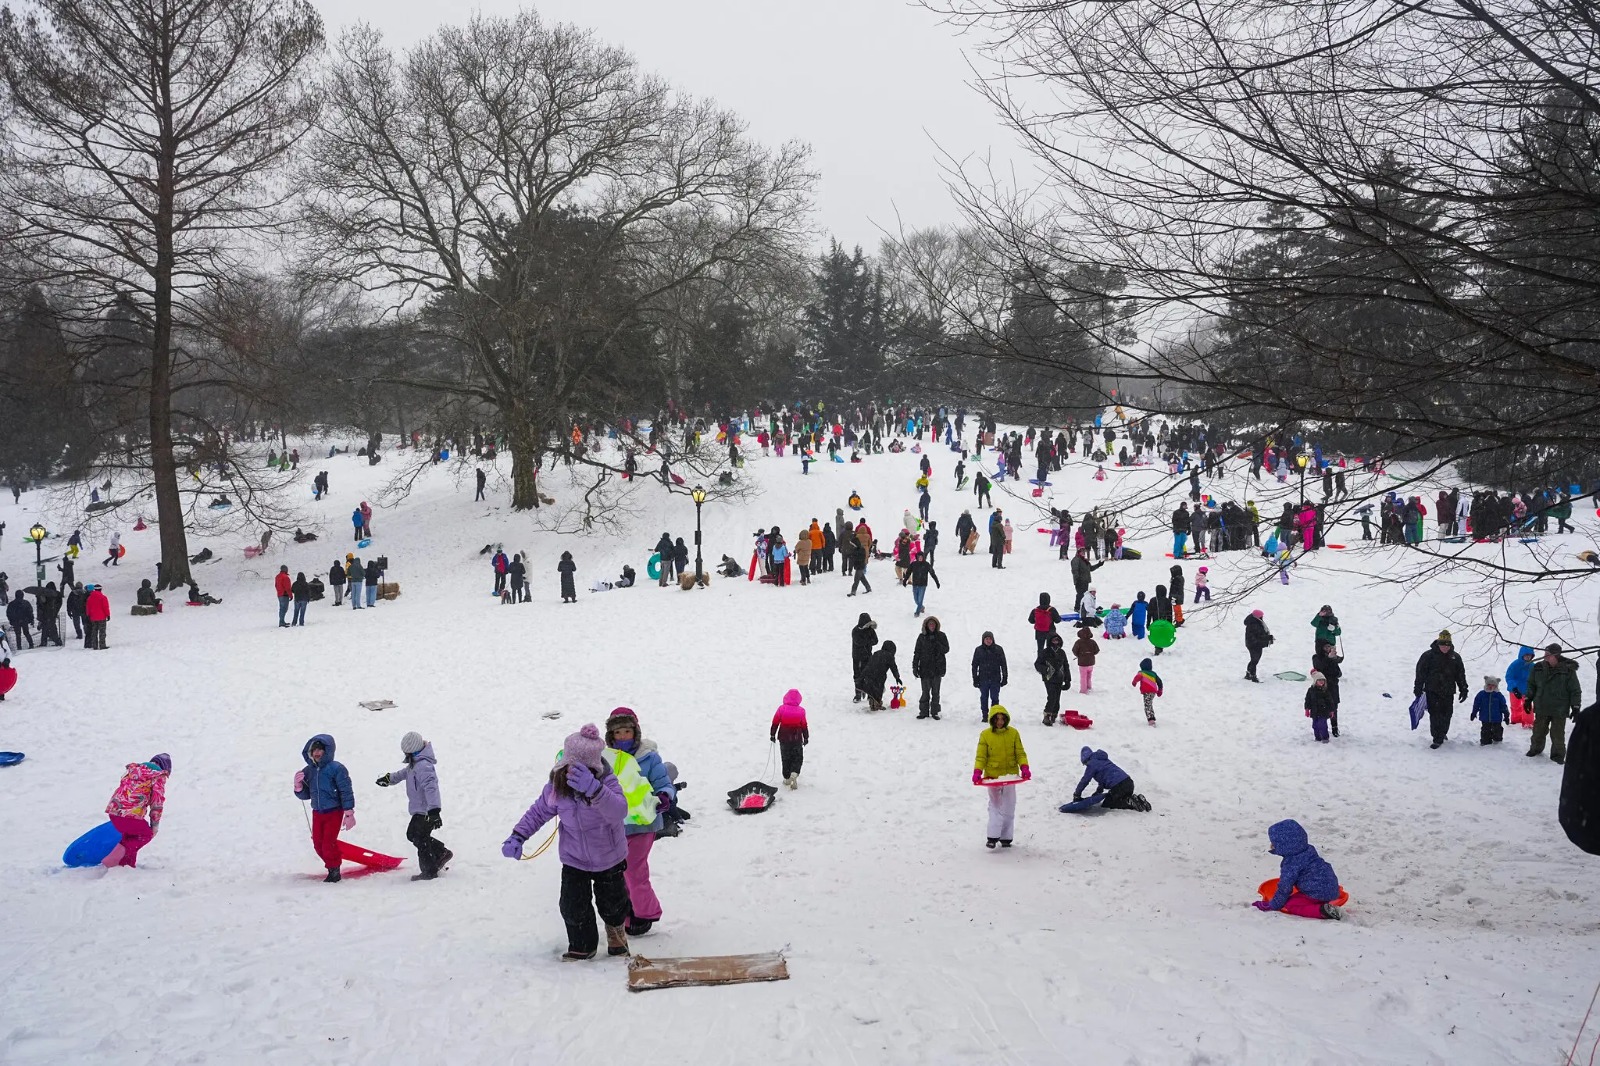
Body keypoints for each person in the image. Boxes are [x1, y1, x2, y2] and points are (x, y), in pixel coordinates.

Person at [501, 724, 631, 960]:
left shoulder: (607, 782)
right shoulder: (557, 786)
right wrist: (518, 836)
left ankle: (616, 932)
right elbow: (538, 812)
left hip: (608, 856)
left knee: (613, 903)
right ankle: (582, 944)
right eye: (569, 765)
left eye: (580, 768)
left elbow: (619, 811)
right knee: (572, 905)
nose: (572, 772)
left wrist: (595, 789)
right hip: (574, 857)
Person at [602, 709, 675, 934]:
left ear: (635, 732)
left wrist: (664, 796)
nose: (623, 736)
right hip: (615, 825)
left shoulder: (648, 757)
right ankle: (625, 912)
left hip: (643, 824)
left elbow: (663, 783)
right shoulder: (605, 759)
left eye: (627, 731)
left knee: (634, 870)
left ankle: (645, 912)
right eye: (617, 732)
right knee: (616, 873)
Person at [376, 732, 452, 880]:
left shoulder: (423, 766)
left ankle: (429, 871)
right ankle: (441, 852)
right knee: (414, 835)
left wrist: (434, 811)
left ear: (412, 751)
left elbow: (431, 788)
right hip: (420, 810)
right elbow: (401, 774)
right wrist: (388, 779)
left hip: (427, 811)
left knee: (419, 837)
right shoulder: (415, 765)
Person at [293, 734, 355, 883]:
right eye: (314, 750)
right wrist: (298, 787)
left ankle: (334, 871)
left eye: (320, 749)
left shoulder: (336, 768)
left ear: (327, 751)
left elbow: (346, 790)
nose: (317, 752)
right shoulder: (309, 770)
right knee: (318, 844)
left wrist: (349, 813)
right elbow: (306, 794)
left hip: (334, 811)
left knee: (328, 843)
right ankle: (332, 865)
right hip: (317, 812)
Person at [1253, 820, 1343, 920]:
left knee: (1291, 904)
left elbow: (1285, 888)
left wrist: (1273, 904)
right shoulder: (1308, 849)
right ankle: (1324, 904)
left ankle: (1322, 911)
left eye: (1274, 842)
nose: (1272, 845)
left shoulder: (1291, 863)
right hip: (1332, 888)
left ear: (1283, 844)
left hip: (1316, 893)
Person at [973, 706, 1029, 848]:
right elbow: (981, 756)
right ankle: (992, 837)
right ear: (992, 720)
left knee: (1009, 806)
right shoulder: (985, 735)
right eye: (997, 719)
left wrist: (1024, 766)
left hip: (1010, 776)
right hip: (993, 777)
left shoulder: (1013, 733)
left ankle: (1006, 837)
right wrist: (978, 771)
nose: (1000, 722)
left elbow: (1020, 753)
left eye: (1002, 719)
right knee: (995, 805)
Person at [105, 752, 171, 867]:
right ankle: (113, 859)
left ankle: (126, 865)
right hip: (129, 816)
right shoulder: (158, 776)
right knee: (145, 835)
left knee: (130, 837)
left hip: (114, 811)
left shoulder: (135, 771)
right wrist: (154, 826)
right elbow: (157, 804)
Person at [1526, 642, 1582, 764]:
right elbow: (1531, 685)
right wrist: (1528, 699)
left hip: (1559, 708)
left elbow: (1575, 690)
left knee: (1557, 734)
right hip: (1542, 706)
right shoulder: (1538, 668)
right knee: (1538, 731)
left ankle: (1558, 756)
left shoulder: (1568, 670)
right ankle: (1535, 749)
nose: (1545, 656)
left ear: (1556, 655)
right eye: (1545, 653)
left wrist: (1576, 706)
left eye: (1548, 654)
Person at [1414, 630, 1469, 749]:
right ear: (1438, 644)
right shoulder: (1428, 656)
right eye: (1443, 645)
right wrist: (1418, 688)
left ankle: (1443, 733)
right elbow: (1420, 673)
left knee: (1447, 714)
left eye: (1448, 645)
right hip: (1432, 691)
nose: (1445, 648)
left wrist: (1463, 689)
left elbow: (1460, 675)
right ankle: (1437, 738)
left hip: (1448, 691)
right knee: (1435, 714)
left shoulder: (1455, 657)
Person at [1070, 746, 1149, 811]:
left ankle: (1129, 802)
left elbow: (1085, 780)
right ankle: (1138, 800)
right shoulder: (1102, 760)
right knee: (1121, 798)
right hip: (1129, 783)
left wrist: (1077, 794)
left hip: (1119, 786)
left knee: (1108, 803)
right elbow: (1104, 778)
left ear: (1085, 759)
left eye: (1085, 763)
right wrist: (1098, 792)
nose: (1086, 765)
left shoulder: (1092, 764)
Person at [769, 688, 810, 789]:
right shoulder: (801, 711)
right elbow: (804, 725)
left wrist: (772, 734)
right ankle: (794, 773)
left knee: (785, 757)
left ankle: (787, 778)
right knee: (797, 757)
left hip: (784, 738)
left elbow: (775, 722)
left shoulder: (781, 709)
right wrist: (806, 737)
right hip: (797, 738)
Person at [912, 615, 949, 719]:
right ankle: (923, 711)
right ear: (926, 625)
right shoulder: (921, 637)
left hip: (937, 668)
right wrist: (915, 667)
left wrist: (937, 643)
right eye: (930, 624)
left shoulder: (941, 636)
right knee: (925, 692)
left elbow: (946, 649)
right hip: (925, 668)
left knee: (935, 692)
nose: (932, 626)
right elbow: (917, 653)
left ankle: (935, 712)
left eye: (933, 624)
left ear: (936, 625)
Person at [1035, 632, 1071, 726]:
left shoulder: (1061, 652)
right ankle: (1047, 715)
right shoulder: (1045, 652)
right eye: (1054, 640)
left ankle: (1054, 714)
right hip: (1049, 678)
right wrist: (1045, 669)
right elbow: (1037, 664)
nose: (1055, 642)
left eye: (1057, 640)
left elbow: (1066, 666)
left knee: (1057, 698)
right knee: (1052, 697)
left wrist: (1068, 680)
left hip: (1059, 678)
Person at [971, 631, 1009, 720]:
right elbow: (974, 665)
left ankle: (994, 715)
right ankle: (985, 715)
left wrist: (1005, 677)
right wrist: (975, 679)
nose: (988, 641)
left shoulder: (998, 649)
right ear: (983, 640)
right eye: (986, 639)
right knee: (984, 697)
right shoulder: (978, 650)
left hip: (995, 679)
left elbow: (1003, 664)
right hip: (983, 679)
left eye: (990, 639)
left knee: (995, 697)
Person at [1312, 641, 1344, 736]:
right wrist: (1329, 659)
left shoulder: (1332, 658)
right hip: (1322, 687)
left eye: (1329, 647)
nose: (1328, 649)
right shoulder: (1316, 657)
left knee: (1334, 707)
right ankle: (1321, 729)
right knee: (1321, 708)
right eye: (1326, 647)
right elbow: (1319, 667)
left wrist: (1334, 659)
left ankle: (1335, 727)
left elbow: (1338, 673)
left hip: (1333, 686)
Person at [860, 640, 902, 711]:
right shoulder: (889, 656)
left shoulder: (876, 653)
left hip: (870, 674)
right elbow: (894, 668)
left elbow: (869, 664)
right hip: (880, 675)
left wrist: (862, 675)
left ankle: (872, 704)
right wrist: (897, 677)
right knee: (879, 690)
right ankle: (877, 705)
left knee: (873, 689)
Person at [1472, 676, 1509, 746]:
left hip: (1496, 718)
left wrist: (1506, 715)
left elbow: (1503, 706)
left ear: (1496, 686)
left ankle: (1497, 740)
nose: (1491, 687)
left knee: (1497, 731)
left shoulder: (1498, 695)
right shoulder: (1481, 694)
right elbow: (1476, 704)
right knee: (1485, 731)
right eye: (1489, 685)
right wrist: (1474, 713)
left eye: (1493, 685)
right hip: (1485, 717)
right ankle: (1485, 741)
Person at [1505, 645, 1536, 725]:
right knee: (1515, 706)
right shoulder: (1514, 665)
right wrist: (1514, 688)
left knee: (1527, 707)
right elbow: (1509, 677)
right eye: (1526, 655)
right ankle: (1516, 720)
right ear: (1521, 655)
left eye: (1530, 655)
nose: (1528, 657)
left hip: (1527, 691)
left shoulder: (1533, 666)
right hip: (1515, 690)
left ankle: (1528, 722)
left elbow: (1536, 678)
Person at [851, 612, 878, 702]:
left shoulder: (870, 630)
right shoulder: (855, 631)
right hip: (857, 657)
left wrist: (868, 641)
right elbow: (859, 642)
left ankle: (869, 693)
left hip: (868, 656)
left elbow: (875, 641)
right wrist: (869, 640)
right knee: (858, 675)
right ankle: (858, 694)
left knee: (869, 675)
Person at [1305, 670, 1335, 742]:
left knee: (1322, 725)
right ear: (1315, 681)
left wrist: (1331, 710)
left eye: (1323, 680)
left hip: (1323, 711)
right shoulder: (1311, 690)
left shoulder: (1325, 691)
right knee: (1315, 725)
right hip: (1314, 711)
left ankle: (1325, 737)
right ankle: (1317, 737)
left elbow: (1330, 701)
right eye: (1319, 680)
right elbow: (1308, 700)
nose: (1321, 682)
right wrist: (1307, 709)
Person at [1132, 657, 1163, 725]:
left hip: (1147, 691)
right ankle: (1151, 717)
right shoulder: (1153, 674)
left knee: (1147, 705)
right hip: (1153, 691)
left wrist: (1134, 682)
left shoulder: (1141, 673)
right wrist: (1160, 690)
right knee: (1149, 703)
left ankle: (1151, 719)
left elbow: (1137, 677)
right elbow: (1159, 682)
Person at [1244, 609, 1273, 682]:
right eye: (1261, 616)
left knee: (1254, 660)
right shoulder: (1254, 624)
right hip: (1254, 645)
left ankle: (1248, 674)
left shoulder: (1254, 622)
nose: (1262, 617)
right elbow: (1258, 636)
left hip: (1254, 644)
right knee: (1255, 660)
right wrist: (1268, 637)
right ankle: (1253, 676)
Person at [1071, 625, 1099, 693]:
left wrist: (1078, 655)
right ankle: (1089, 687)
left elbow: (1074, 650)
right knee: (1089, 676)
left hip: (1082, 662)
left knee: (1083, 677)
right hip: (1091, 662)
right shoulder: (1092, 642)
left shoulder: (1078, 642)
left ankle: (1083, 690)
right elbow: (1097, 650)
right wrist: (1091, 654)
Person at [84, 584, 110, 650]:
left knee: (94, 631)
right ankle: (102, 645)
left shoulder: (90, 598)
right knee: (102, 632)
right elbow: (105, 607)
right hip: (102, 617)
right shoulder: (103, 597)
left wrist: (88, 615)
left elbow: (88, 607)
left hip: (93, 617)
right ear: (100, 589)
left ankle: (94, 645)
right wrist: (108, 615)